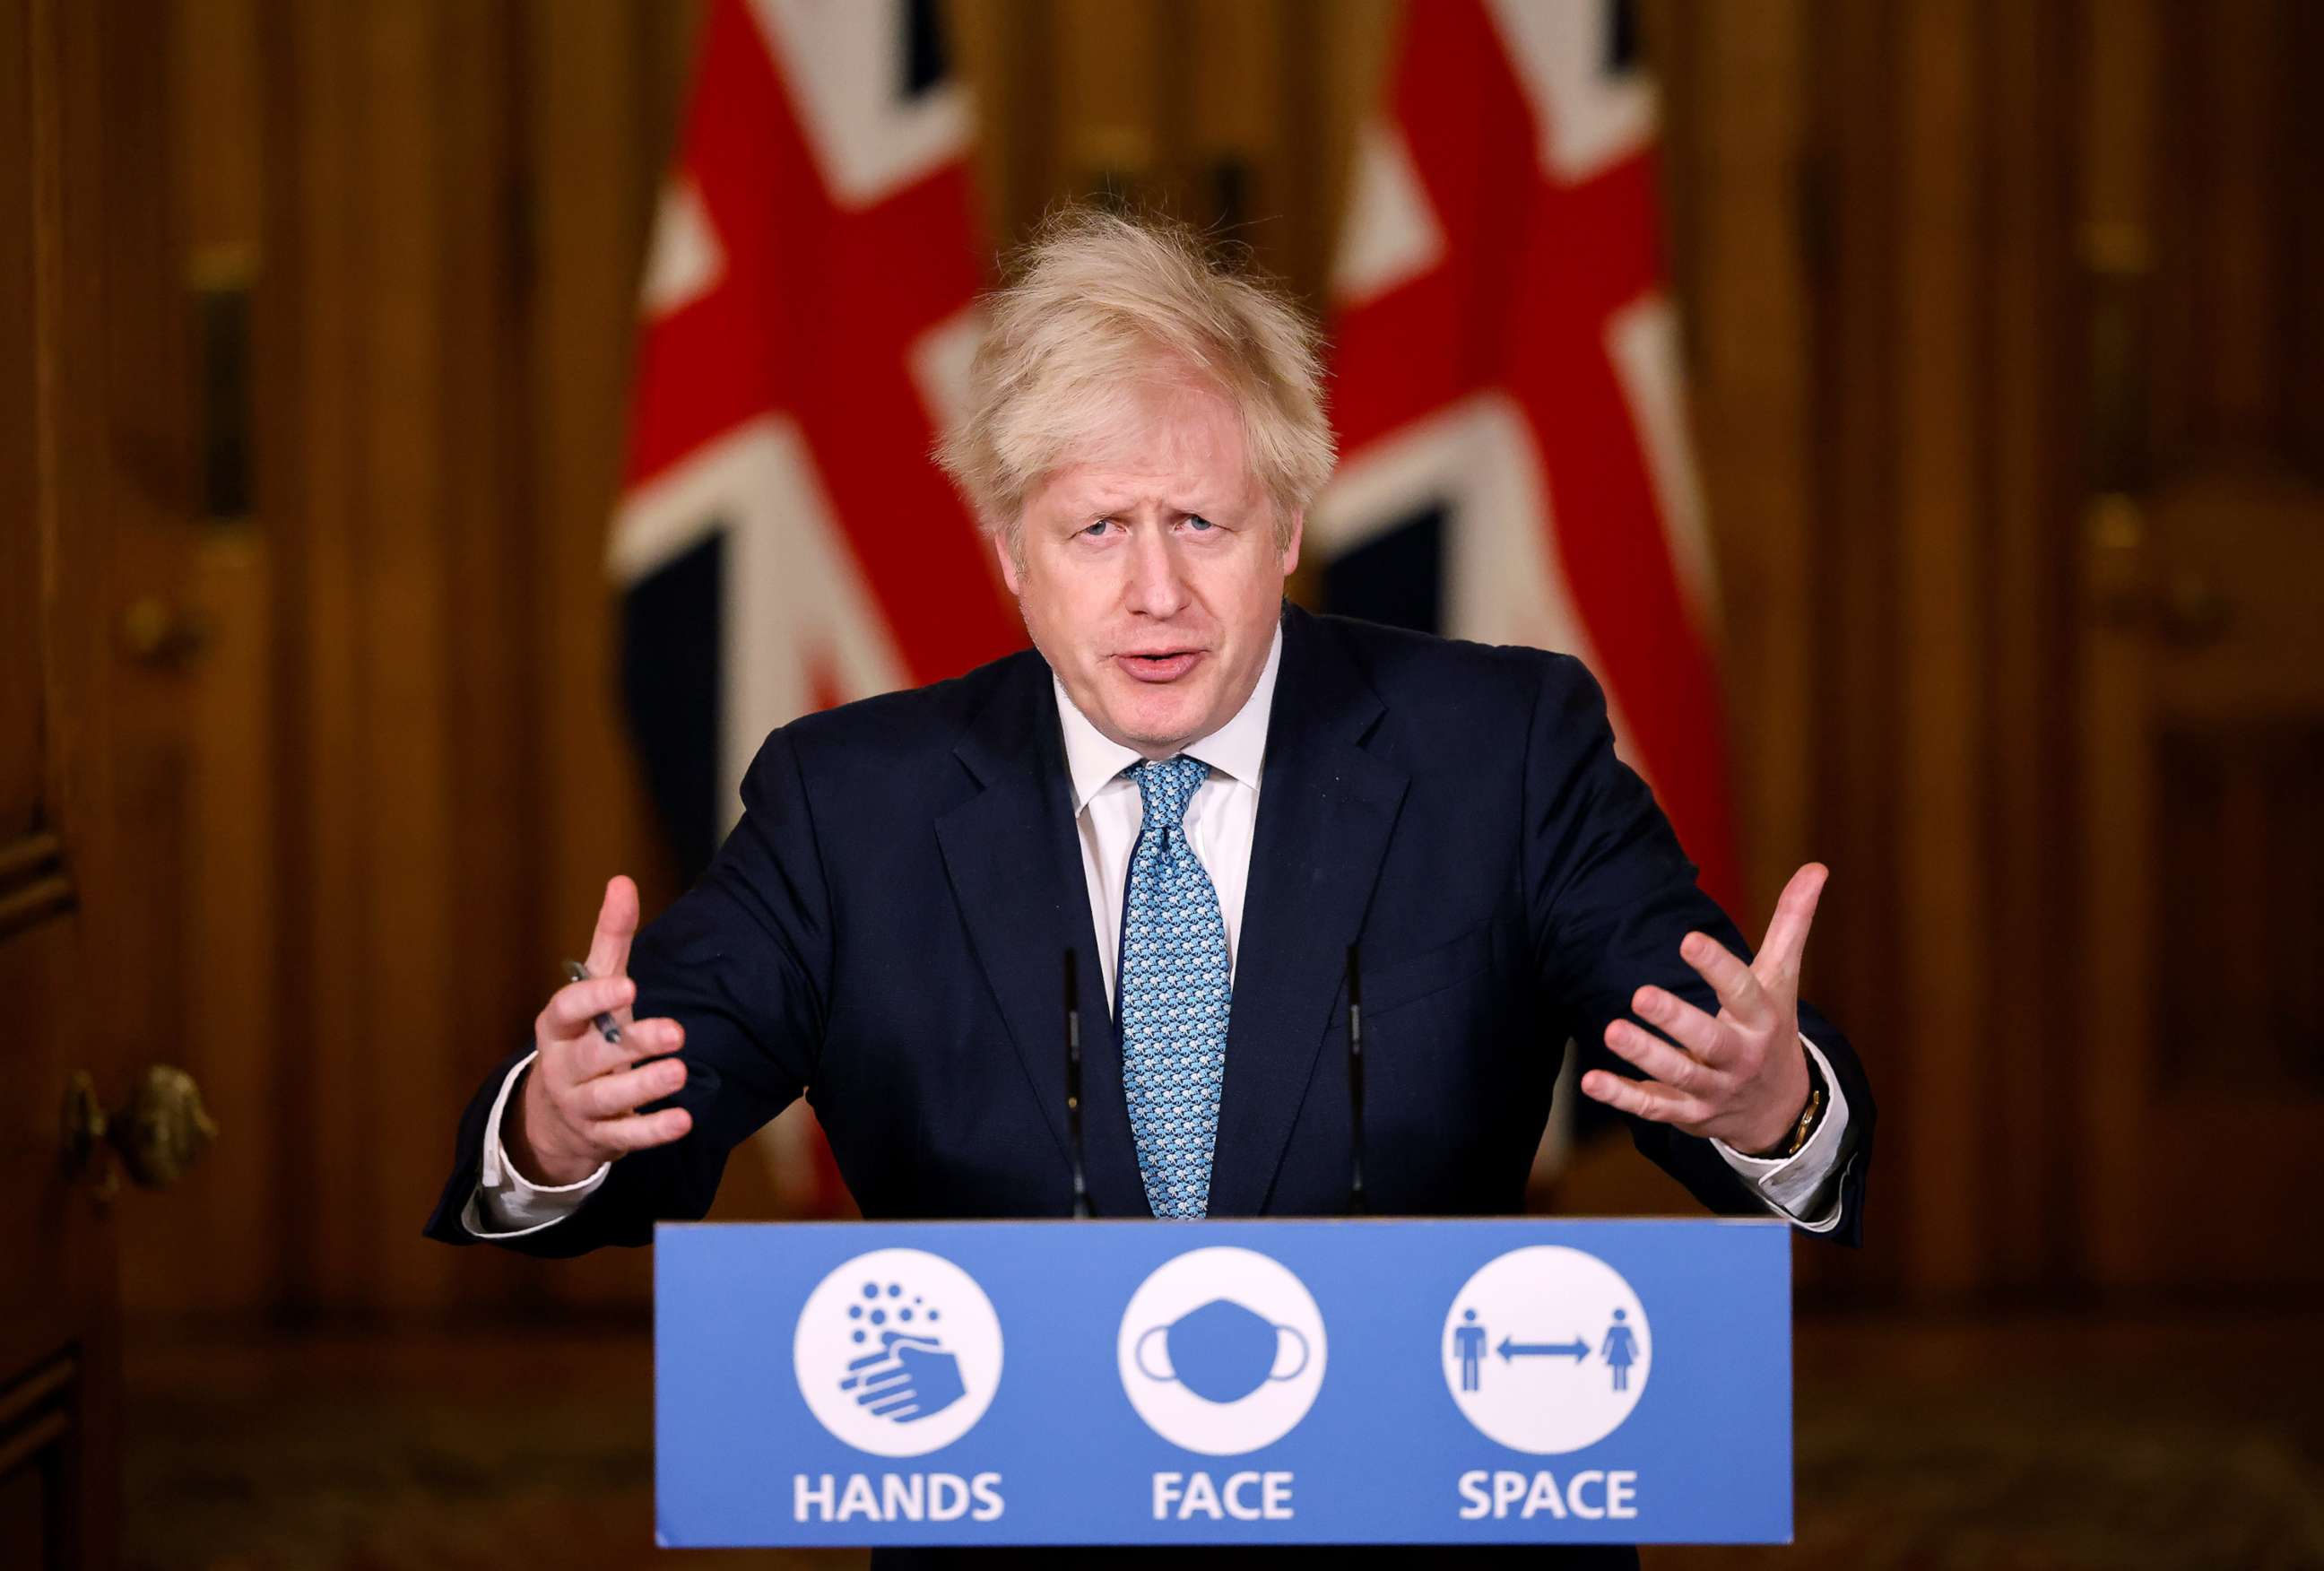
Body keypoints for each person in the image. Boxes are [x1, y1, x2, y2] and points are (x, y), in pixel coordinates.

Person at [425, 206, 1874, 1566]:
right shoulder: (848, 803)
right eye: (1098, 530)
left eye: (1201, 523)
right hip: (1016, 1526)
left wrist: (1772, 1108)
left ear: (1289, 531)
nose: (1156, 594)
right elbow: (645, 1101)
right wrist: (557, 1126)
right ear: (1012, 558)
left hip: (1424, 1518)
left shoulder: (1500, 748)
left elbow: (1705, 1045)